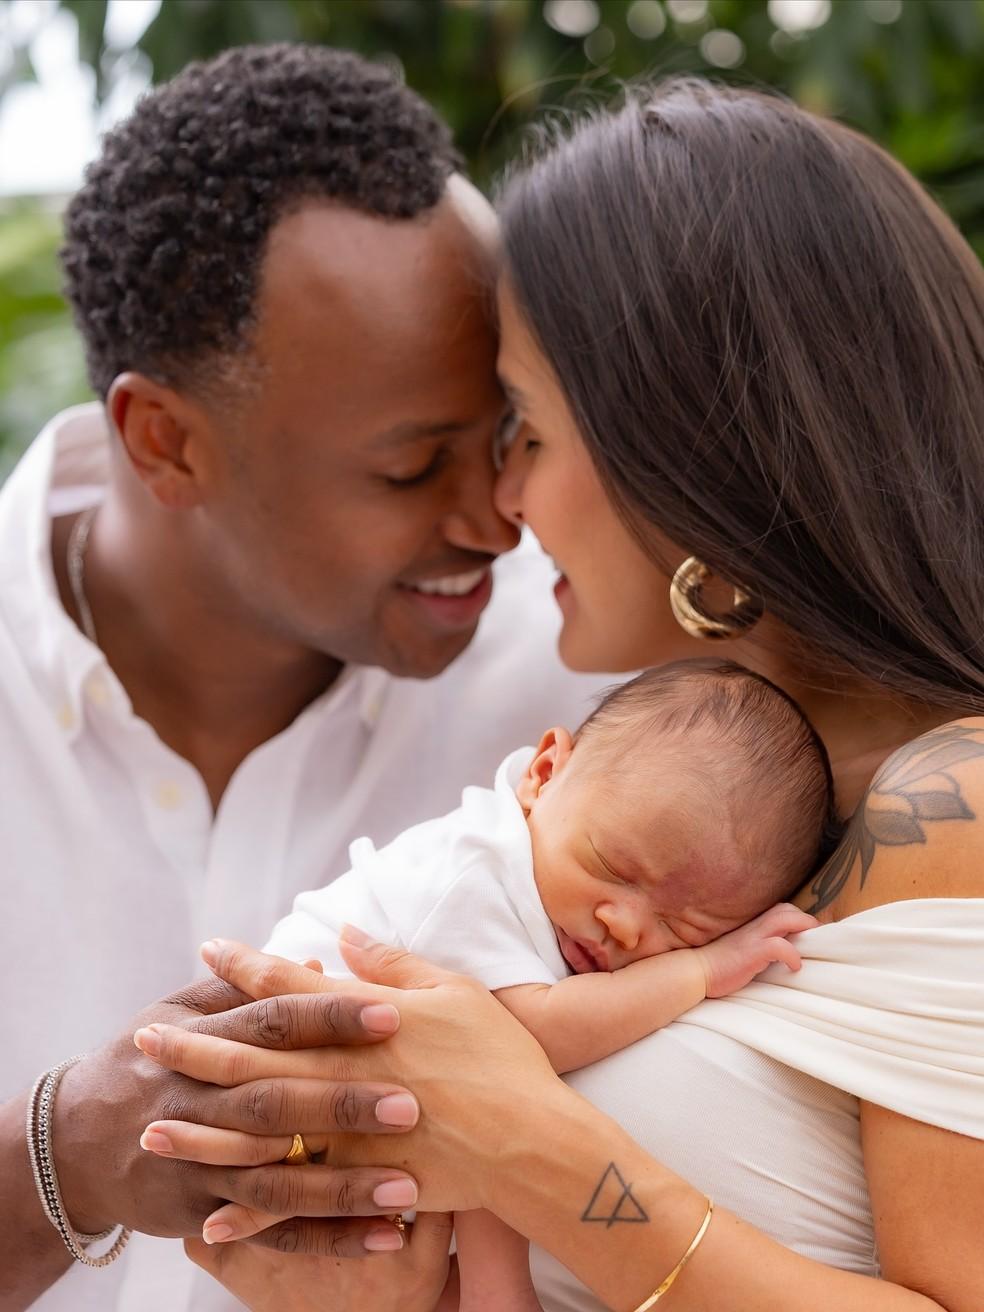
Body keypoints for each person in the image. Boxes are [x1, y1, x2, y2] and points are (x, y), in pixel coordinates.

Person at [134, 80, 984, 1312]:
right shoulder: (654, 773)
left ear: (682, 454)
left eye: (526, 428)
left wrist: (528, 1143)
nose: (508, 504)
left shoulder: (947, 799)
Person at [0, 44, 609, 1312]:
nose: (498, 519)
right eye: (408, 468)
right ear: (164, 442)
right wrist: (61, 1160)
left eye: (505, 435)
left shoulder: (582, 694)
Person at [138, 660, 825, 1305]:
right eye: (612, 867)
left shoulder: (550, 897)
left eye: (684, 924)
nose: (624, 925)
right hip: (274, 1117)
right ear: (546, 772)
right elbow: (527, 1041)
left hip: (355, 1142)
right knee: (499, 1097)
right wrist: (699, 966)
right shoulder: (475, 871)